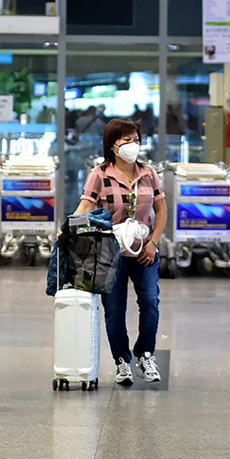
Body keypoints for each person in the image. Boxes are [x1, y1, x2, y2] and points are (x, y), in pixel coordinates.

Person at [74, 118, 168, 386]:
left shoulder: (148, 173)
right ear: (112, 144)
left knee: (150, 302)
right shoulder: (100, 174)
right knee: (114, 309)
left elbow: (161, 210)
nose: (132, 145)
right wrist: (69, 227)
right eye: (126, 140)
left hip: (144, 250)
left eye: (136, 139)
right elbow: (85, 207)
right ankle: (121, 361)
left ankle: (145, 354)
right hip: (110, 253)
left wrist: (154, 241)